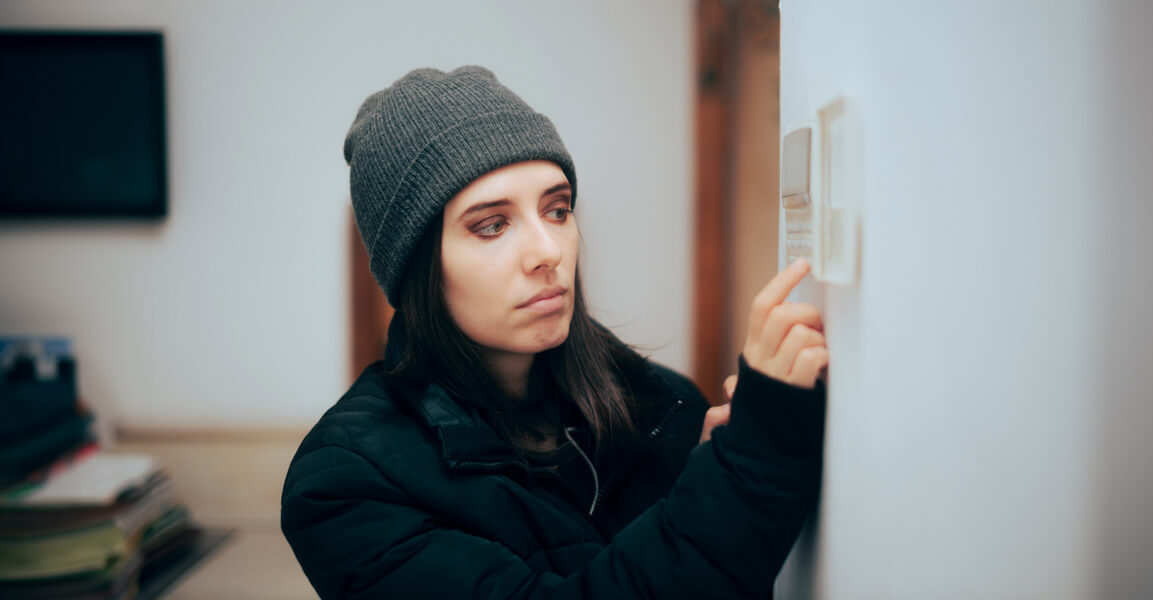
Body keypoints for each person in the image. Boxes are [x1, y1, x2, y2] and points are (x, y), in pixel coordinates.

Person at [280, 66, 829, 599]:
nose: (548, 251)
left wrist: (724, 469)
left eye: (558, 209)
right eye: (492, 225)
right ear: (417, 267)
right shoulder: (344, 482)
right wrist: (742, 475)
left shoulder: (664, 403)